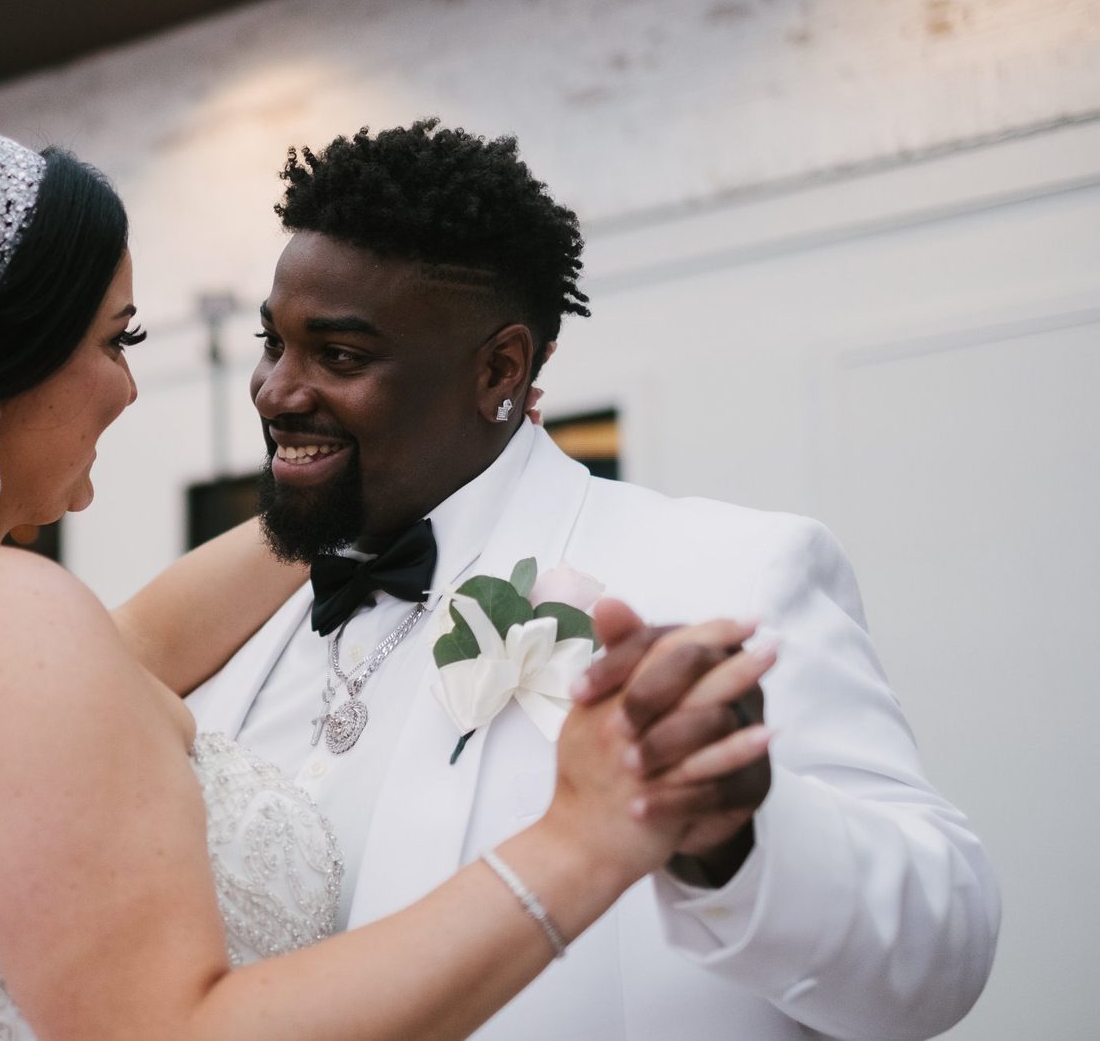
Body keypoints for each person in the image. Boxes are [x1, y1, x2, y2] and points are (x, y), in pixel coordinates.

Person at [0, 98, 772, 1041]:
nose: (127, 380)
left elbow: (124, 652)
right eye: (117, 338)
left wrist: (385, 468)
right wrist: (590, 837)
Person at [187, 119, 1002, 1040]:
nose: (275, 390)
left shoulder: (716, 573)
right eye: (273, 344)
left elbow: (943, 951)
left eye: (338, 356)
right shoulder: (239, 630)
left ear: (501, 368)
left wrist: (741, 842)